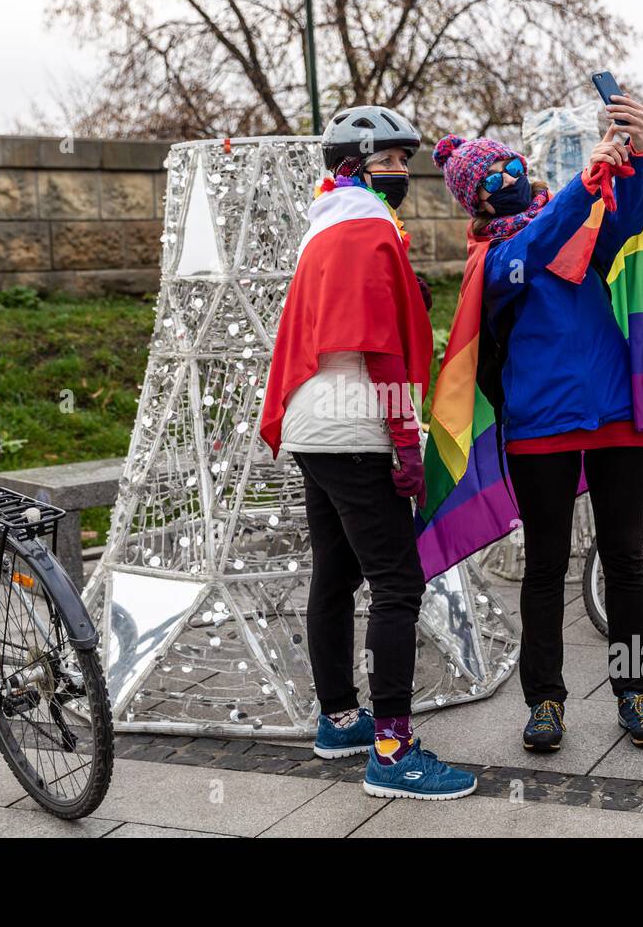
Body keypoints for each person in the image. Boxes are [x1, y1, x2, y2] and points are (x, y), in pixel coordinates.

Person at [432, 95, 643, 752]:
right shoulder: (495, 261)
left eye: (511, 166)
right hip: (539, 427)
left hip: (615, 417)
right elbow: (540, 243)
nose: (510, 179)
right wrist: (585, 180)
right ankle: (545, 702)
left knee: (626, 560)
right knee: (546, 567)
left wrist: (637, 152)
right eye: (491, 179)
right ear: (476, 203)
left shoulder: (578, 222)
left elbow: (629, 220)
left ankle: (635, 694)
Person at [259, 105, 476, 800]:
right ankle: (391, 751)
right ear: (353, 165)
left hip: (313, 426)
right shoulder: (364, 227)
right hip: (356, 430)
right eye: (388, 162)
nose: (401, 174)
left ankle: (340, 720)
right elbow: (379, 342)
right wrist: (406, 442)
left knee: (335, 575)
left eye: (404, 162)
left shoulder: (324, 225)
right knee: (398, 584)